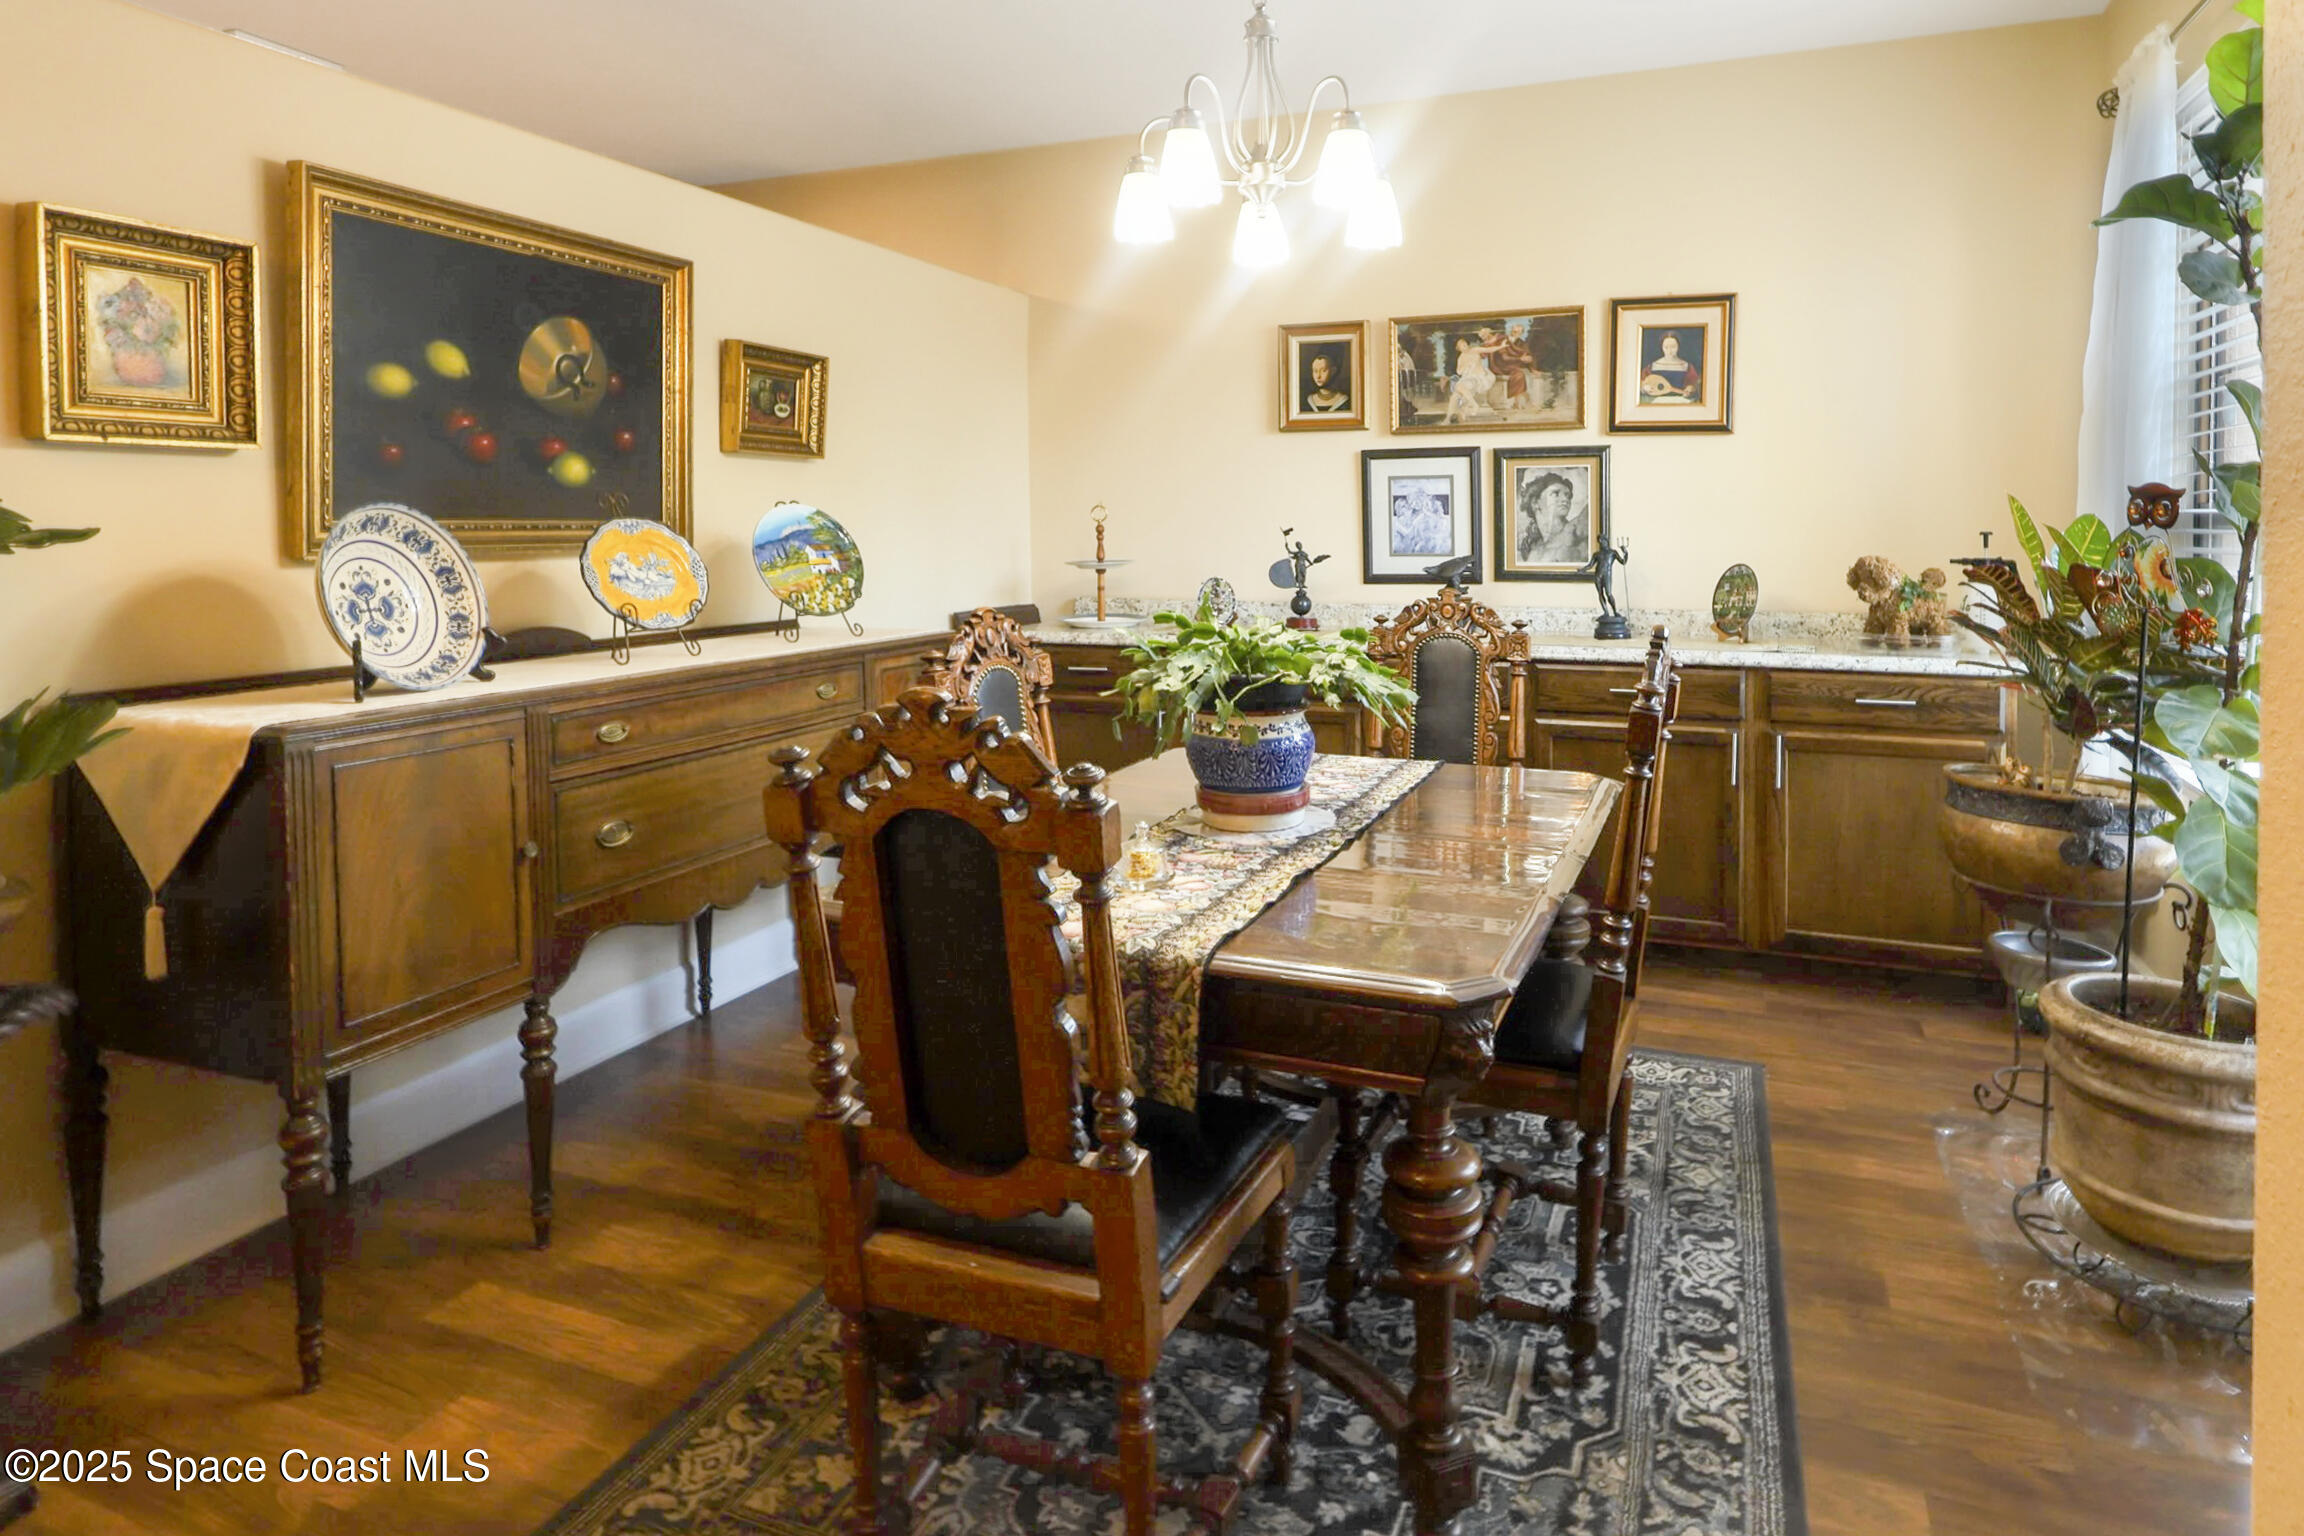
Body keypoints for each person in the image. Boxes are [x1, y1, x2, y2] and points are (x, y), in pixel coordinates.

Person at [1516, 471, 1585, 564]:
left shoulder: (1576, 530)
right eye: (1555, 493)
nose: (1565, 499)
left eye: (1567, 495)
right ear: (1535, 503)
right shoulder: (1533, 551)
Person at [1639, 331, 1702, 403]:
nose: (1669, 350)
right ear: (1662, 347)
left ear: (1678, 346)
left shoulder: (1687, 366)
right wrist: (1644, 387)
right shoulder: (1652, 366)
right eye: (1666, 347)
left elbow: (1694, 384)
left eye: (1673, 347)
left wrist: (1691, 388)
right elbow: (1640, 383)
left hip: (1680, 402)